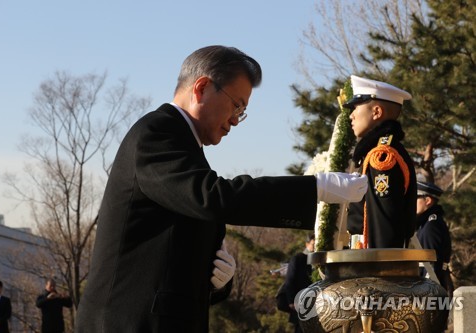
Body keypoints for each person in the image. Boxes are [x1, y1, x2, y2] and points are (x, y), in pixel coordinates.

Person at [75, 45, 367, 333]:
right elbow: (213, 197)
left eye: (243, 111)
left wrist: (216, 282)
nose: (236, 120)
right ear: (201, 88)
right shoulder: (156, 134)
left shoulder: (186, 148)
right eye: (236, 105)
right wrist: (317, 188)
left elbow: (170, 250)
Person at [344, 75, 417, 249]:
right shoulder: (379, 150)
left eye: (356, 108)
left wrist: (378, 271)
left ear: (376, 112)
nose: (351, 116)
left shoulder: (382, 156)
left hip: (374, 261)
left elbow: (383, 224)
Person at [416, 181, 453, 295]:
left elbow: (431, 264)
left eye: (416, 198)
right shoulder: (427, 223)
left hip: (430, 289)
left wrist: (426, 293)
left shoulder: (431, 226)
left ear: (427, 201)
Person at [285, 234, 315, 333]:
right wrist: (291, 300)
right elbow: (290, 280)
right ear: (307, 244)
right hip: (300, 301)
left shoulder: (319, 259)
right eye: (313, 244)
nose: (315, 247)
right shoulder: (298, 259)